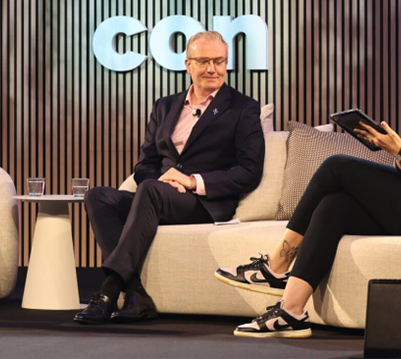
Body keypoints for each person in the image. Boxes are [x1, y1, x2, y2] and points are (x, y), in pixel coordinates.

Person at [216, 17, 401, 338]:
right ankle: (291, 310)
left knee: (337, 166)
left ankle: (276, 264)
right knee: (334, 206)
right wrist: (397, 150)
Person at [75, 30, 265, 324]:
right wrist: (165, 180)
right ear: (188, 65)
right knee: (98, 196)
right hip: (160, 194)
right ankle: (136, 294)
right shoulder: (165, 106)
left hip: (203, 203)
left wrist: (191, 181)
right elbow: (145, 164)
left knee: (150, 190)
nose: (212, 69)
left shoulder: (242, 108)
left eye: (219, 61)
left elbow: (249, 171)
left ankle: (109, 291)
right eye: (203, 61)